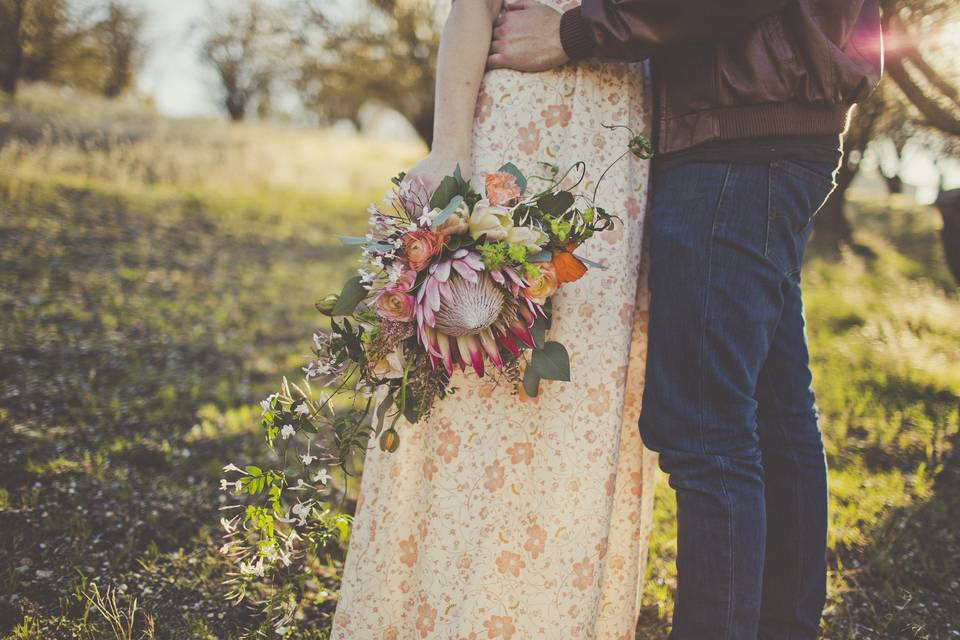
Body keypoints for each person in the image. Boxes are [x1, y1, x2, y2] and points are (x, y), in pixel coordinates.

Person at [488, 0, 882, 638]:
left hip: (738, 137)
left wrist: (577, 30)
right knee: (773, 411)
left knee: (707, 429)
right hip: (765, 125)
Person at [331, 1, 657, 638]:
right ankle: (434, 611)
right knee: (472, 383)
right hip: (514, 133)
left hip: (615, 150)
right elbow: (472, 8)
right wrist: (450, 150)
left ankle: (549, 616)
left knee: (580, 395)